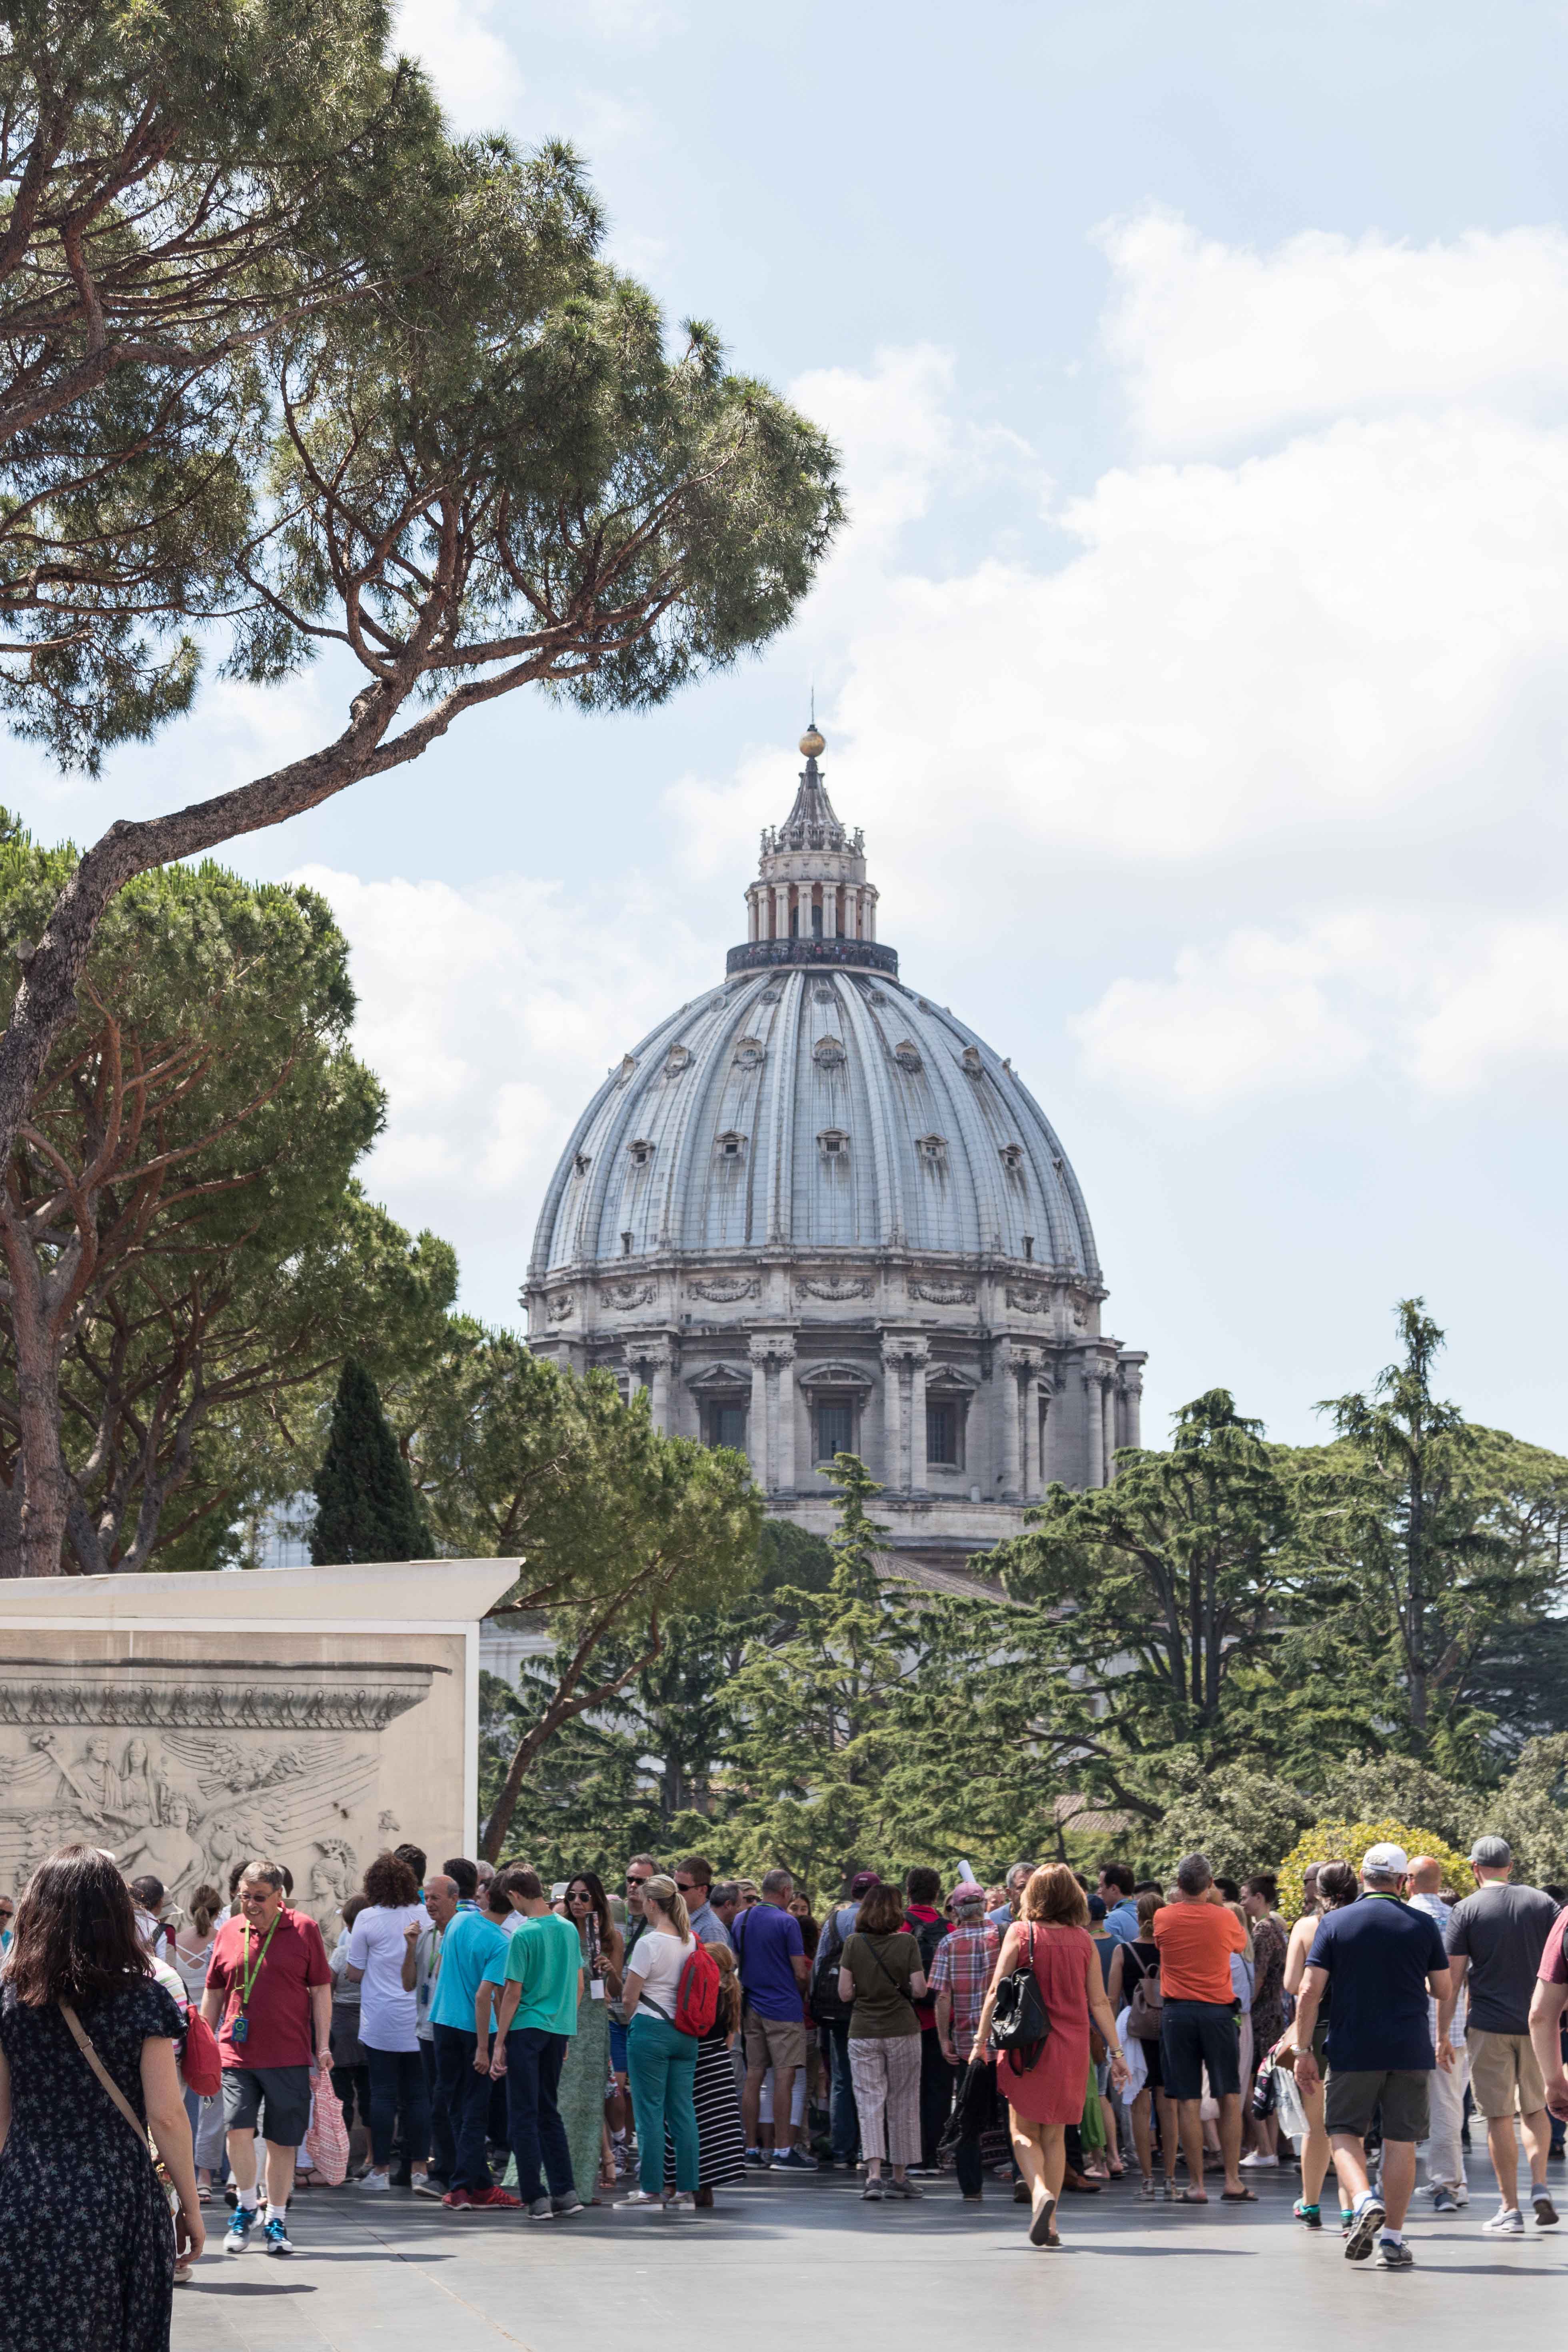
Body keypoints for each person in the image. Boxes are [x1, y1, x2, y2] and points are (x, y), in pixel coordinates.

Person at [0, 1844, 203, 2351]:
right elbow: (167, 2115)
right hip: (118, 2193)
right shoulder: (143, 1997)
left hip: (28, 2187)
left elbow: (0, 2115)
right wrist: (192, 2207)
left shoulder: (9, 1998)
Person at [1290, 1842, 1452, 2272]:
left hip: (1352, 2046)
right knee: (1401, 2142)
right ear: (1403, 1882)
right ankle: (1394, 2241)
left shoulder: (1335, 1922)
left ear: (1363, 1877)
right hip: (1409, 2047)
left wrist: (1302, 2050)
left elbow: (1308, 1990)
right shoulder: (1421, 1924)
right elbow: (1443, 1988)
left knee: (1342, 2130)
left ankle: (1362, 2200)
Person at [973, 1863, 1129, 2250]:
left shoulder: (1021, 1934)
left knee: (1022, 2130)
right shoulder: (1084, 1940)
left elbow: (996, 1991)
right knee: (1056, 2135)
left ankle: (1040, 2192)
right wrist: (1117, 2051)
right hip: (1071, 2047)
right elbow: (1099, 2001)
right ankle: (1053, 2222)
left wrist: (980, 2040)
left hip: (1028, 2045)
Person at [202, 1858, 332, 2256]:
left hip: (290, 2054)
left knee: (282, 2141)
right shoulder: (229, 1931)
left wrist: (323, 2045)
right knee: (236, 2129)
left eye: (260, 1897)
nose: (251, 1904)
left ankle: (275, 2217)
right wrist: (203, 2042)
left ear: (280, 1896)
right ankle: (244, 2207)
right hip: (236, 2053)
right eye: (245, 1896)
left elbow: (322, 1990)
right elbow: (214, 1991)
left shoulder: (305, 1929)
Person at [1436, 1834, 1560, 2235]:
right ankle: (1539, 2184)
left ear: (1475, 1868)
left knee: (1498, 2116)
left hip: (1488, 2026)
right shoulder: (1543, 1904)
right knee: (1536, 2109)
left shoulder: (1466, 1910)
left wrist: (1442, 2033)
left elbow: (1452, 1982)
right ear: (1511, 1865)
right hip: (1537, 2025)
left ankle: (1510, 2208)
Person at [483, 1868, 583, 2220]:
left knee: (523, 2114)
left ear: (514, 1894)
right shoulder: (568, 1929)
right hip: (558, 2027)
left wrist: (499, 2042)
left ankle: (535, 2196)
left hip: (526, 2028)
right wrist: (566, 2028)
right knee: (548, 2110)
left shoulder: (523, 1934)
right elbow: (577, 1982)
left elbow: (513, 1992)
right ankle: (565, 2191)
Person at [1152, 1853, 1250, 2204]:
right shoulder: (1223, 1917)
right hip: (1218, 2013)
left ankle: (1195, 2185)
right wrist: (1217, 1901)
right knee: (1228, 2095)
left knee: (1187, 2101)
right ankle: (1232, 2179)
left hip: (1177, 2013)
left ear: (1178, 1886)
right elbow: (1240, 1945)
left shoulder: (1163, 1916)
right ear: (1210, 1884)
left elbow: (1162, 1944)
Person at [344, 1851, 431, 2193]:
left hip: (380, 2020)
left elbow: (353, 1972)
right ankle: (420, 2167)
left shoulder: (367, 1918)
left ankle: (380, 2168)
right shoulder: (426, 1915)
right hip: (419, 2019)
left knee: (381, 2096)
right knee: (418, 2097)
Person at [431, 1871, 516, 2211]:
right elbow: (486, 1996)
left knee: (455, 2107)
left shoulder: (460, 1922)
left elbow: (442, 1971)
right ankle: (463, 2186)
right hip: (475, 2029)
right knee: (475, 2111)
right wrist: (487, 2046)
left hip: (442, 2021)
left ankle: (478, 2184)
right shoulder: (501, 1942)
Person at [838, 1876, 927, 2201]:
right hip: (903, 2029)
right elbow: (920, 1989)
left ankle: (873, 2175)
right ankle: (899, 2176)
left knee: (869, 2102)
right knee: (903, 2101)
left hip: (863, 2031)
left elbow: (844, 1993)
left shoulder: (854, 1943)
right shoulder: (907, 1943)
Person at [617, 1872, 701, 2210]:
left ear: (652, 1903)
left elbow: (628, 1997)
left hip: (651, 2031)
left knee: (649, 2112)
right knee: (682, 2112)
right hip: (685, 2033)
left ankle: (650, 2190)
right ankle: (686, 2191)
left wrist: (631, 2020)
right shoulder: (690, 1940)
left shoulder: (648, 1943)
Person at [733, 1866, 813, 2169]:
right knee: (784, 2076)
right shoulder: (787, 1922)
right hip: (783, 2008)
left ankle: (751, 2147)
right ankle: (782, 2150)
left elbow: (736, 1962)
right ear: (785, 1892)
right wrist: (801, 1992)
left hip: (752, 2006)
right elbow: (800, 1971)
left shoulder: (742, 1919)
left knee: (754, 2075)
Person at [929, 1880, 1001, 2200]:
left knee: (968, 2114)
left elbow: (943, 1996)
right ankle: (1024, 2178)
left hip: (965, 2043)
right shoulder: (1000, 1937)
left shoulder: (948, 1942)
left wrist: (943, 2037)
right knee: (1011, 2110)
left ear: (957, 1910)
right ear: (985, 1905)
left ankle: (971, 2188)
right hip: (1002, 2039)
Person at [664, 1939, 747, 2208]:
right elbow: (729, 2039)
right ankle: (705, 2191)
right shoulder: (732, 1994)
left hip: (696, 2061)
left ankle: (675, 2184)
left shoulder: (704, 1991)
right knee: (712, 2130)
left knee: (684, 2122)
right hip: (719, 2065)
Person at [1407, 1853, 1469, 2210]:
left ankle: (1389, 2179)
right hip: (1453, 2028)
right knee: (1448, 2107)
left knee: (1398, 2104)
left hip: (1410, 2025)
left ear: (1410, 1880)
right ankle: (1448, 2183)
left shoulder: (1404, 1917)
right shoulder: (1456, 1919)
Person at [556, 1871, 621, 2204]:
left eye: (584, 1896)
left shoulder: (609, 1937)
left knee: (590, 2102)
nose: (577, 1903)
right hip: (563, 2019)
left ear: (596, 1898)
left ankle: (583, 2182)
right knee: (562, 2100)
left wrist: (610, 1971)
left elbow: (616, 1993)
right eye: (572, 1896)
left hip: (594, 2023)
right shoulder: (560, 1928)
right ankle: (557, 2179)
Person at [1108, 1888, 1175, 2199]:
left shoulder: (1123, 1951)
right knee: (1168, 2106)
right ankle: (1172, 2181)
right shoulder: (1172, 1949)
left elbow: (1110, 1998)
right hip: (1168, 2029)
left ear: (1137, 1918)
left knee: (1139, 2104)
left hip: (1134, 2029)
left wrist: (1110, 2040)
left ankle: (1147, 2180)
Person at [815, 1868, 877, 2169]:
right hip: (870, 2008)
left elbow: (819, 1962)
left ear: (853, 1892)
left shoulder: (836, 1920)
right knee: (872, 2081)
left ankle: (841, 2150)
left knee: (841, 2079)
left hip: (837, 2010)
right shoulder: (880, 1921)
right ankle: (870, 2148)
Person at [402, 1872, 459, 2198]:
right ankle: (445, 2171)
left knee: (446, 2101)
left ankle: (448, 2171)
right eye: (427, 1897)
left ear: (454, 1898)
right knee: (436, 2100)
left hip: (453, 2028)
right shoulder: (424, 1937)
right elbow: (409, 1983)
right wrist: (410, 1949)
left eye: (436, 1897)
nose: (430, 1903)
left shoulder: (461, 1933)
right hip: (426, 2028)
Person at [903, 1866, 951, 2172]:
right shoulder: (949, 1929)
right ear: (937, 1893)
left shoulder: (901, 1926)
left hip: (907, 2020)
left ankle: (913, 2156)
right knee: (939, 2088)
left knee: (908, 2089)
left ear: (908, 1891)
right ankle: (934, 2154)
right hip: (942, 2020)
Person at [1239, 1873, 1287, 2167]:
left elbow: (1257, 1977)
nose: (1243, 1901)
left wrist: (1243, 2005)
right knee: (1267, 2081)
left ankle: (1266, 2148)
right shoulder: (1278, 1928)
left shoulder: (1262, 1931)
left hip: (1261, 2016)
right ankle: (1268, 2149)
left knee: (1253, 2081)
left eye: (1246, 1896)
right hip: (1275, 2012)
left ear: (1259, 1897)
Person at [676, 1857, 732, 1951]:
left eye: (682, 1887)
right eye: (674, 1885)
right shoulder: (679, 1917)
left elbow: (717, 1965)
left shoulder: (712, 1929)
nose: (676, 1891)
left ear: (702, 1890)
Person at [1098, 1864, 1139, 1948]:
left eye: (1101, 1886)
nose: (1099, 1891)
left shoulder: (1111, 1921)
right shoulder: (1148, 1912)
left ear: (1114, 1889)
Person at [988, 1862, 1034, 1934]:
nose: (1029, 1892)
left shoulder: (1049, 1920)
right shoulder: (993, 1920)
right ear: (1009, 1893)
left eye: (1034, 1886)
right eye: (1022, 1887)